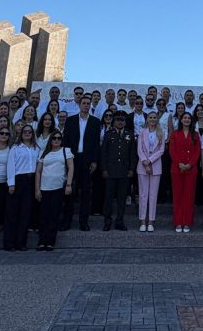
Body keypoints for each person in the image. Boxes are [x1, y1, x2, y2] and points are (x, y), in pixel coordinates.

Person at [61, 95, 101, 231]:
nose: (86, 105)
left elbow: (96, 144)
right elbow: (65, 141)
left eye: (88, 103)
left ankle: (83, 222)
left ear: (90, 105)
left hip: (87, 160)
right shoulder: (71, 121)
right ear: (79, 105)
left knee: (85, 193)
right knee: (70, 191)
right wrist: (66, 160)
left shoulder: (95, 122)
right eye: (83, 103)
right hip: (72, 159)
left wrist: (95, 161)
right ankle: (66, 221)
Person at [35, 131, 74, 250]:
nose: (56, 140)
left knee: (54, 215)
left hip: (58, 187)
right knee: (43, 215)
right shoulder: (43, 153)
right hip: (44, 187)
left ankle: (50, 241)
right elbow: (38, 171)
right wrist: (37, 189)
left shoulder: (66, 151)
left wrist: (68, 184)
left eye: (59, 138)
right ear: (50, 140)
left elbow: (71, 167)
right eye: (54, 138)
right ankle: (42, 241)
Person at [6, 125, 41, 250]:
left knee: (25, 213)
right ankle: (9, 243)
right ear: (21, 134)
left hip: (31, 181)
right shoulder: (15, 148)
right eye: (25, 132)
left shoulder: (36, 148)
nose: (27, 133)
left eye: (29, 132)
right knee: (13, 213)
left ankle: (21, 243)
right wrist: (11, 183)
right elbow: (10, 166)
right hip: (18, 180)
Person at [100, 111, 135, 231]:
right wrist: (104, 169)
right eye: (118, 120)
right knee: (108, 197)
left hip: (124, 172)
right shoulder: (108, 134)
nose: (120, 122)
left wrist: (131, 169)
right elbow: (103, 153)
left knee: (121, 198)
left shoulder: (130, 134)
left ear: (125, 122)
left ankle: (120, 221)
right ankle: (107, 221)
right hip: (110, 171)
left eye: (122, 120)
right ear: (114, 121)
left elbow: (132, 154)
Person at [169, 112, 201, 232]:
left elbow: (197, 152)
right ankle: (178, 222)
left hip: (191, 170)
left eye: (189, 118)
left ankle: (187, 222)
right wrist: (179, 164)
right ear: (181, 120)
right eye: (184, 118)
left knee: (189, 196)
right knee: (178, 196)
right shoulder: (175, 134)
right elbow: (172, 150)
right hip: (177, 169)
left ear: (191, 121)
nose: (187, 120)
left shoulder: (196, 135)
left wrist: (190, 165)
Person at [137, 112, 165, 232]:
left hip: (156, 165)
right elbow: (139, 149)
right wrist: (145, 161)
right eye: (150, 117)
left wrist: (150, 160)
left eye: (154, 117)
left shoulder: (161, 133)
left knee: (153, 195)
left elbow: (161, 150)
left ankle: (151, 221)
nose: (152, 119)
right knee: (143, 194)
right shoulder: (142, 132)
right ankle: (142, 220)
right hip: (142, 166)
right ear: (147, 119)